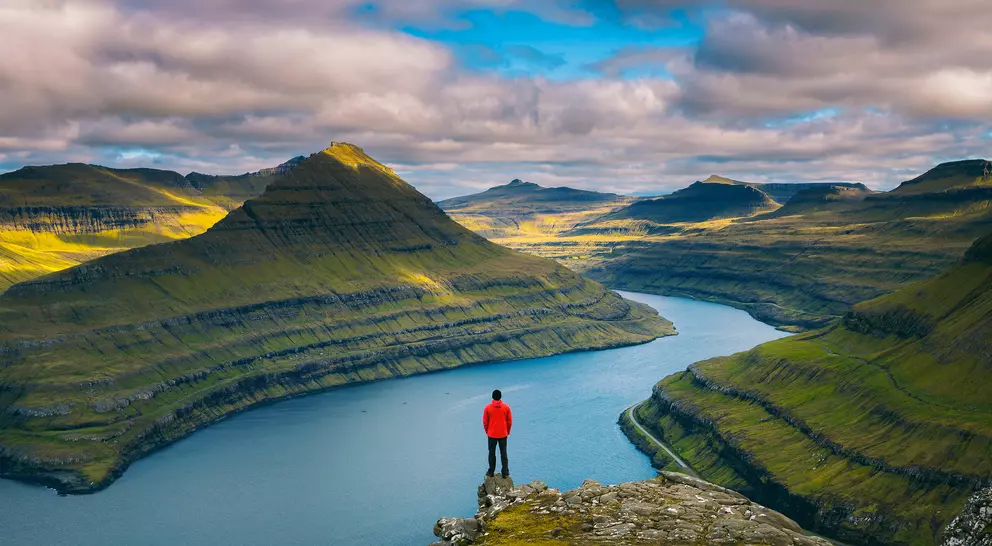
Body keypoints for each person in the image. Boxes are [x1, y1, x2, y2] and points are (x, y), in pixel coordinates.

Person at [482, 389, 512, 478]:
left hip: (492, 434)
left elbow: (485, 421)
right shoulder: (506, 407)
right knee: (503, 453)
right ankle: (505, 472)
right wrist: (507, 431)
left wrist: (487, 431)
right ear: (500, 397)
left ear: (492, 397)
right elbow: (509, 421)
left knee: (491, 453)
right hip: (503, 434)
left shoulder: (487, 408)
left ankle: (491, 471)